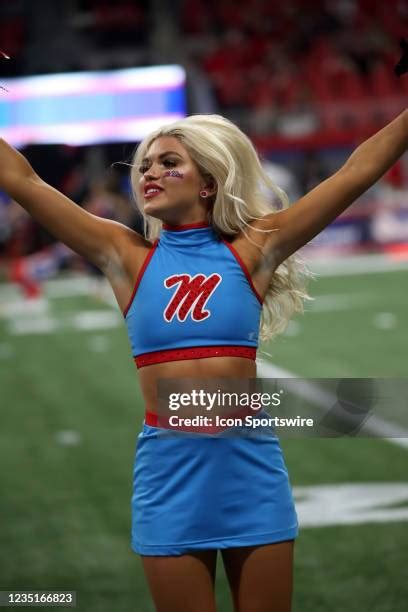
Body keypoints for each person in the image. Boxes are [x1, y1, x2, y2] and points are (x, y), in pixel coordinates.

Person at [0, 110, 407, 612]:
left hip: (250, 465)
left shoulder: (254, 248)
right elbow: (21, 178)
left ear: (209, 183)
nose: (149, 172)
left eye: (168, 162)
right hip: (169, 469)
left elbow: (355, 173)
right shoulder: (123, 255)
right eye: (145, 165)